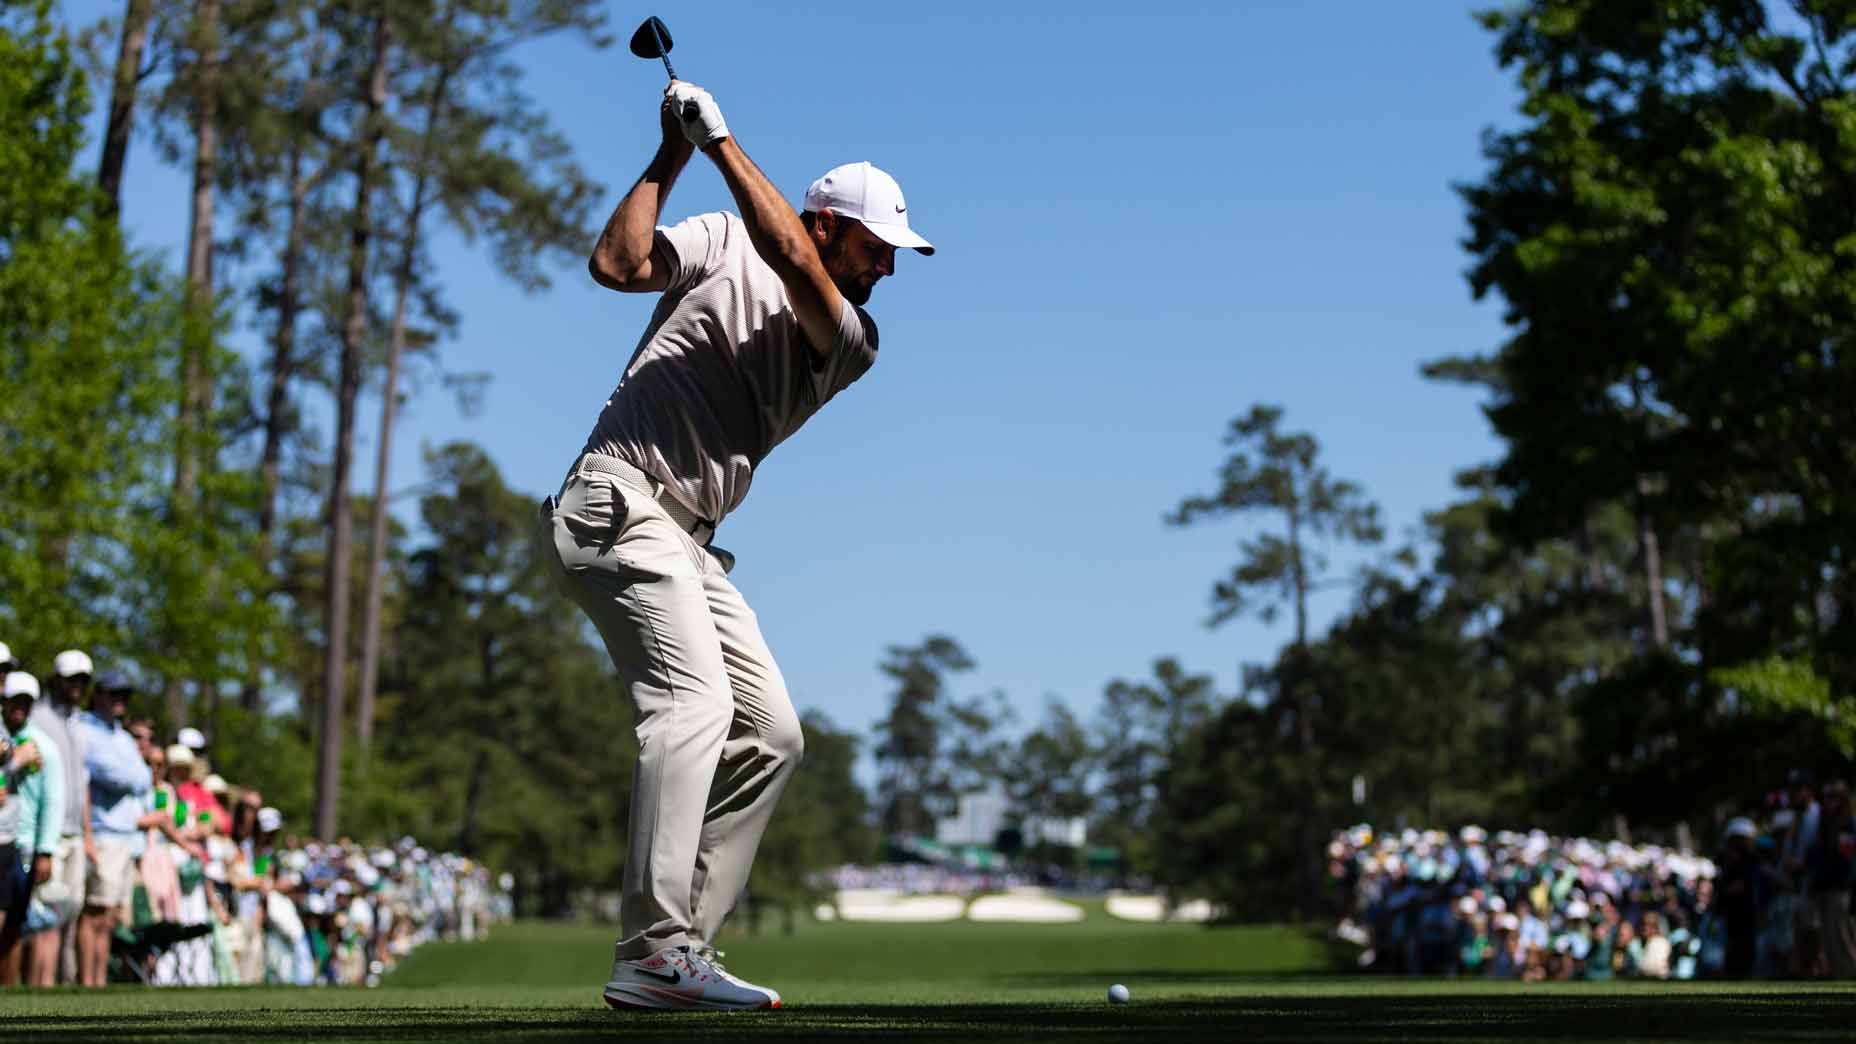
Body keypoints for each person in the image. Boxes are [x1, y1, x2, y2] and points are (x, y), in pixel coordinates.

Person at [545, 78, 933, 1012]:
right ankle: (651, 949)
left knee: (771, 734)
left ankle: (677, 955)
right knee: (694, 706)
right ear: (829, 221)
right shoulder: (722, 236)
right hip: (617, 499)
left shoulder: (851, 338)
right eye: (876, 248)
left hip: (687, 538)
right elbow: (617, 264)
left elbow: (796, 263)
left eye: (893, 256)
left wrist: (719, 140)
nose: (884, 270)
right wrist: (672, 153)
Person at [70, 666, 152, 986]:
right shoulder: (85, 729)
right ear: (99, 696)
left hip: (124, 835)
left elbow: (143, 778)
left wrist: (129, 776)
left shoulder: (120, 734)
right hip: (101, 831)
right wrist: (129, 776)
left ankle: (99, 980)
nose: (120, 701)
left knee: (111, 915)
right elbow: (112, 774)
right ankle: (86, 980)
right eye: (114, 694)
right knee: (94, 911)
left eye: (124, 695)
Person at [0, 671, 64, 985]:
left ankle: (9, 993)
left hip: (22, 842)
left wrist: (45, 851)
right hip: (2, 839)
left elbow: (54, 802)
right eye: (14, 700)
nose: (19, 708)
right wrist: (14, 760)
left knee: (14, 924)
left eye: (26, 702)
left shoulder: (45, 747)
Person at [42, 650, 93, 984]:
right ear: (58, 679)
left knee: (71, 912)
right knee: (47, 914)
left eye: (83, 680)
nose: (78, 686)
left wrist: (88, 835)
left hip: (76, 832)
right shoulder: (37, 716)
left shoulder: (80, 723)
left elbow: (84, 784)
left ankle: (64, 987)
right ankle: (38, 989)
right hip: (50, 832)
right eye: (72, 679)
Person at [1809, 781, 1856, 978]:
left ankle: (1850, 974)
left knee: (1843, 937)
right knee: (1829, 939)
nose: (1827, 802)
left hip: (1841, 889)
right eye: (1825, 797)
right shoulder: (1824, 825)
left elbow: (1846, 861)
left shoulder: (1846, 824)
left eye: (1833, 797)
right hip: (1825, 888)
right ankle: (1840, 976)